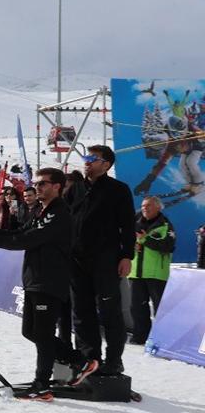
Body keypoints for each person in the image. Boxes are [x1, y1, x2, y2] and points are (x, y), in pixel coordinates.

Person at [0, 168, 97, 400]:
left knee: (42, 334)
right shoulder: (41, 211)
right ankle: (80, 361)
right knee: (30, 331)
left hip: (50, 279)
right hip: (34, 278)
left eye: (43, 183)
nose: (38, 187)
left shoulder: (60, 212)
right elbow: (21, 231)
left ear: (57, 187)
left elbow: (31, 238)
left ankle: (42, 385)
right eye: (38, 183)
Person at [68, 145, 136, 375]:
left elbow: (127, 226)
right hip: (77, 261)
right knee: (81, 311)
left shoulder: (118, 190)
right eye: (86, 157)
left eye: (92, 158)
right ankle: (89, 359)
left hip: (105, 260)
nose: (86, 161)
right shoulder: (76, 189)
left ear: (106, 164)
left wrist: (127, 255)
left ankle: (114, 360)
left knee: (110, 312)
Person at [127, 196, 175, 346]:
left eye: (148, 206)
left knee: (159, 307)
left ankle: (162, 338)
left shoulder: (165, 225)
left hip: (156, 274)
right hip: (136, 272)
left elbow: (168, 246)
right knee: (137, 307)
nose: (144, 209)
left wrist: (145, 240)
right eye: (143, 206)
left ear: (158, 208)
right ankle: (140, 336)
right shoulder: (133, 223)